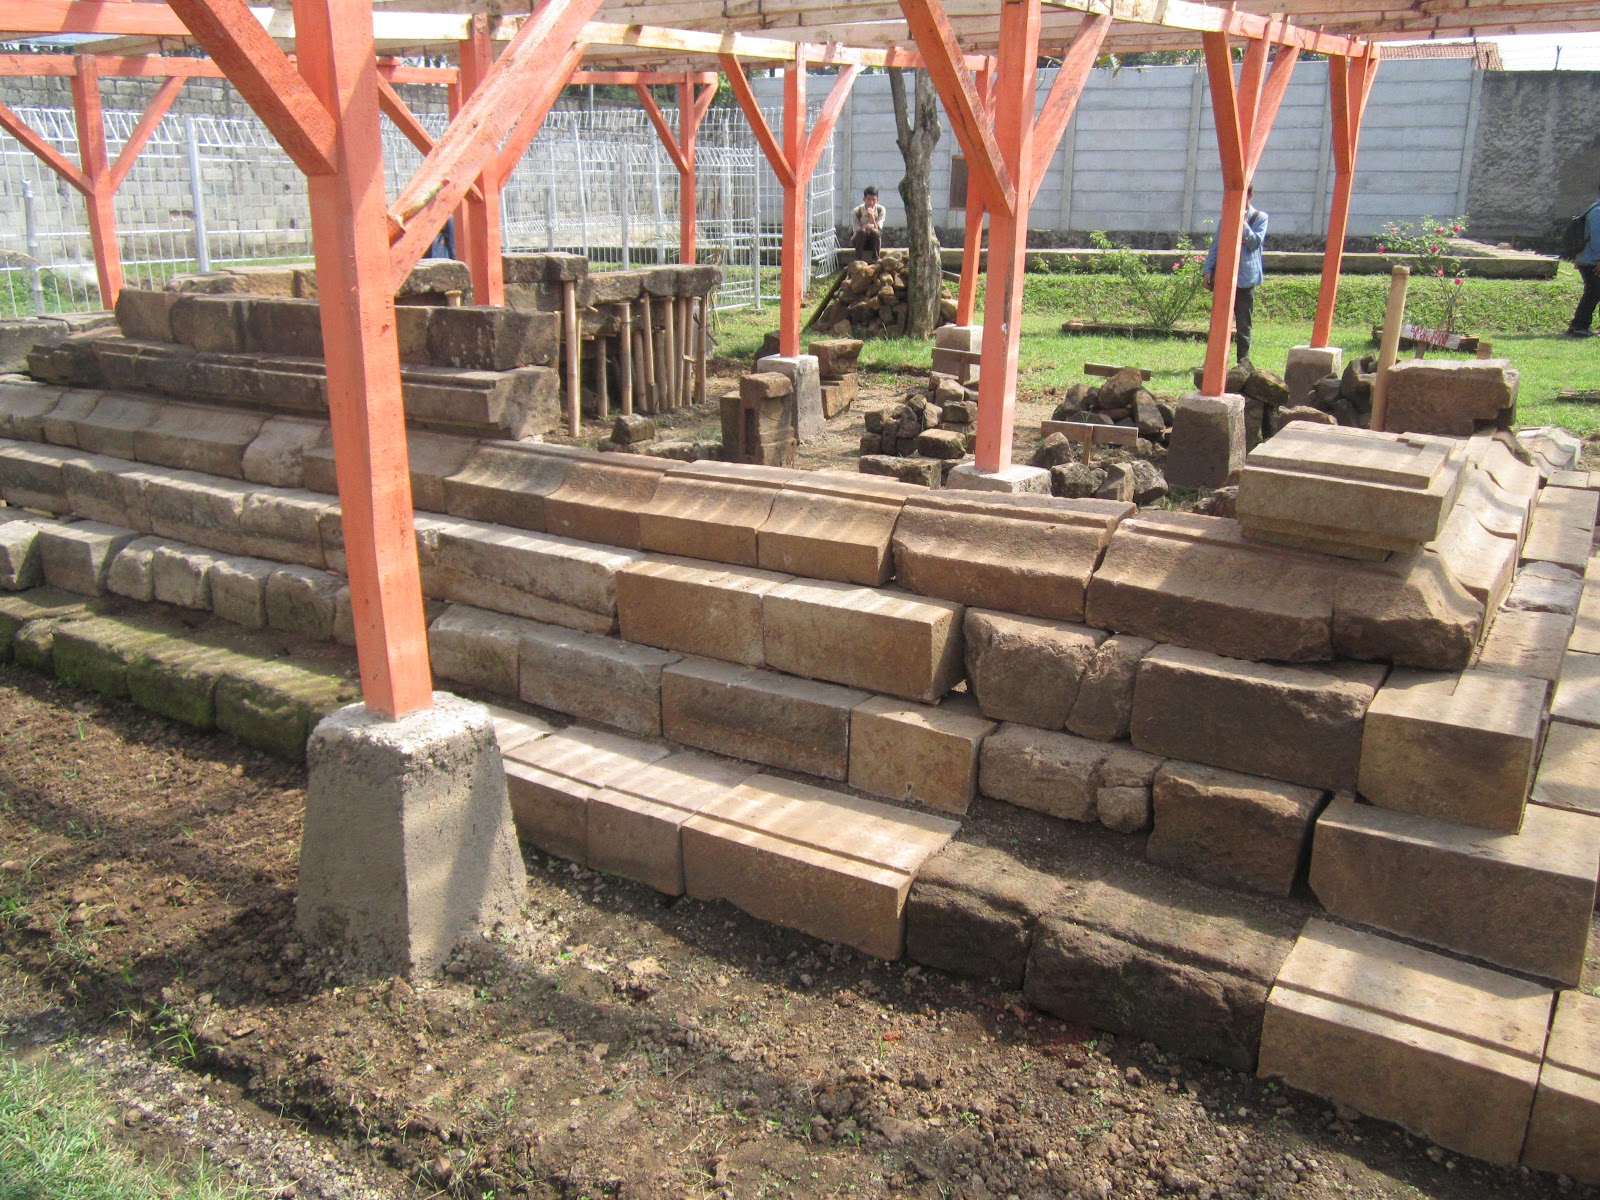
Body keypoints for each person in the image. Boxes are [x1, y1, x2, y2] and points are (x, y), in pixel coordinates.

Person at [1202, 185, 1268, 367]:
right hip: (1224, 277)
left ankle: (1242, 363)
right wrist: (1207, 270)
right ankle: (1214, 362)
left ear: (1250, 195)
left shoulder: (1260, 218)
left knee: (1243, 325)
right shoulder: (1226, 218)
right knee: (1219, 323)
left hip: (1245, 279)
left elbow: (1254, 243)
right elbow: (1216, 245)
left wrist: (1243, 223)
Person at [1568, 186, 1600, 337]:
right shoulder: (1597, 211)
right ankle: (1578, 326)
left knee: (1594, 293)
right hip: (1592, 261)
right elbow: (1597, 240)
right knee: (1593, 293)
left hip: (1592, 259)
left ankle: (1580, 326)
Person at [852, 186, 886, 263]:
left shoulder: (881, 210)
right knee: (863, 232)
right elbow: (856, 230)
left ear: (877, 200)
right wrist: (864, 227)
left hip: (873, 241)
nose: (871, 202)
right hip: (859, 241)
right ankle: (858, 260)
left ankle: (876, 260)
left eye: (874, 200)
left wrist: (872, 217)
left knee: (874, 232)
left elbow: (878, 229)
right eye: (869, 199)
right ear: (864, 199)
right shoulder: (857, 211)